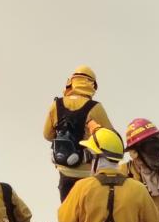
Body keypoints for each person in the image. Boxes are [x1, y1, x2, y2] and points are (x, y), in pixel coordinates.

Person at [42, 64, 116, 202]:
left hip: (64, 170)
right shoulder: (95, 108)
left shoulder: (56, 105)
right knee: (89, 216)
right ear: (92, 85)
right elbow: (110, 139)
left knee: (68, 216)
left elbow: (47, 135)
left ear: (71, 82)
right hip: (87, 172)